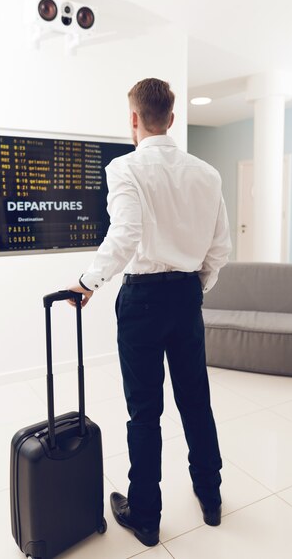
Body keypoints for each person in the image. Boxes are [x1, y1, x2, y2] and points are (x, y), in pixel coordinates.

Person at [68, 78, 232, 547]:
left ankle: (145, 516)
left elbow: (124, 235)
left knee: (145, 412)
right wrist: (195, 285)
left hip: (141, 301)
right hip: (186, 297)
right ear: (173, 119)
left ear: (135, 119)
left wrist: (87, 282)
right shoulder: (206, 172)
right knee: (195, 400)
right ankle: (211, 495)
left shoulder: (125, 167)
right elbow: (220, 247)